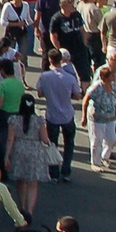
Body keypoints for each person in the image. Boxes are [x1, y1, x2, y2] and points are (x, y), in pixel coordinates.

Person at [37, 48, 81, 182]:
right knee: (69, 144)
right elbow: (77, 95)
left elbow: (40, 93)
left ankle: (54, 173)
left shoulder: (44, 77)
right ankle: (66, 172)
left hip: (52, 115)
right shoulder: (70, 77)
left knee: (52, 144)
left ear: (50, 60)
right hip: (67, 114)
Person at [6, 94, 50, 215]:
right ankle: (29, 211)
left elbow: (10, 139)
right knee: (32, 183)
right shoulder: (39, 120)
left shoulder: (13, 119)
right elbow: (44, 138)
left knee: (21, 180)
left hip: (19, 149)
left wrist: (7, 156)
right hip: (35, 151)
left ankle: (22, 206)